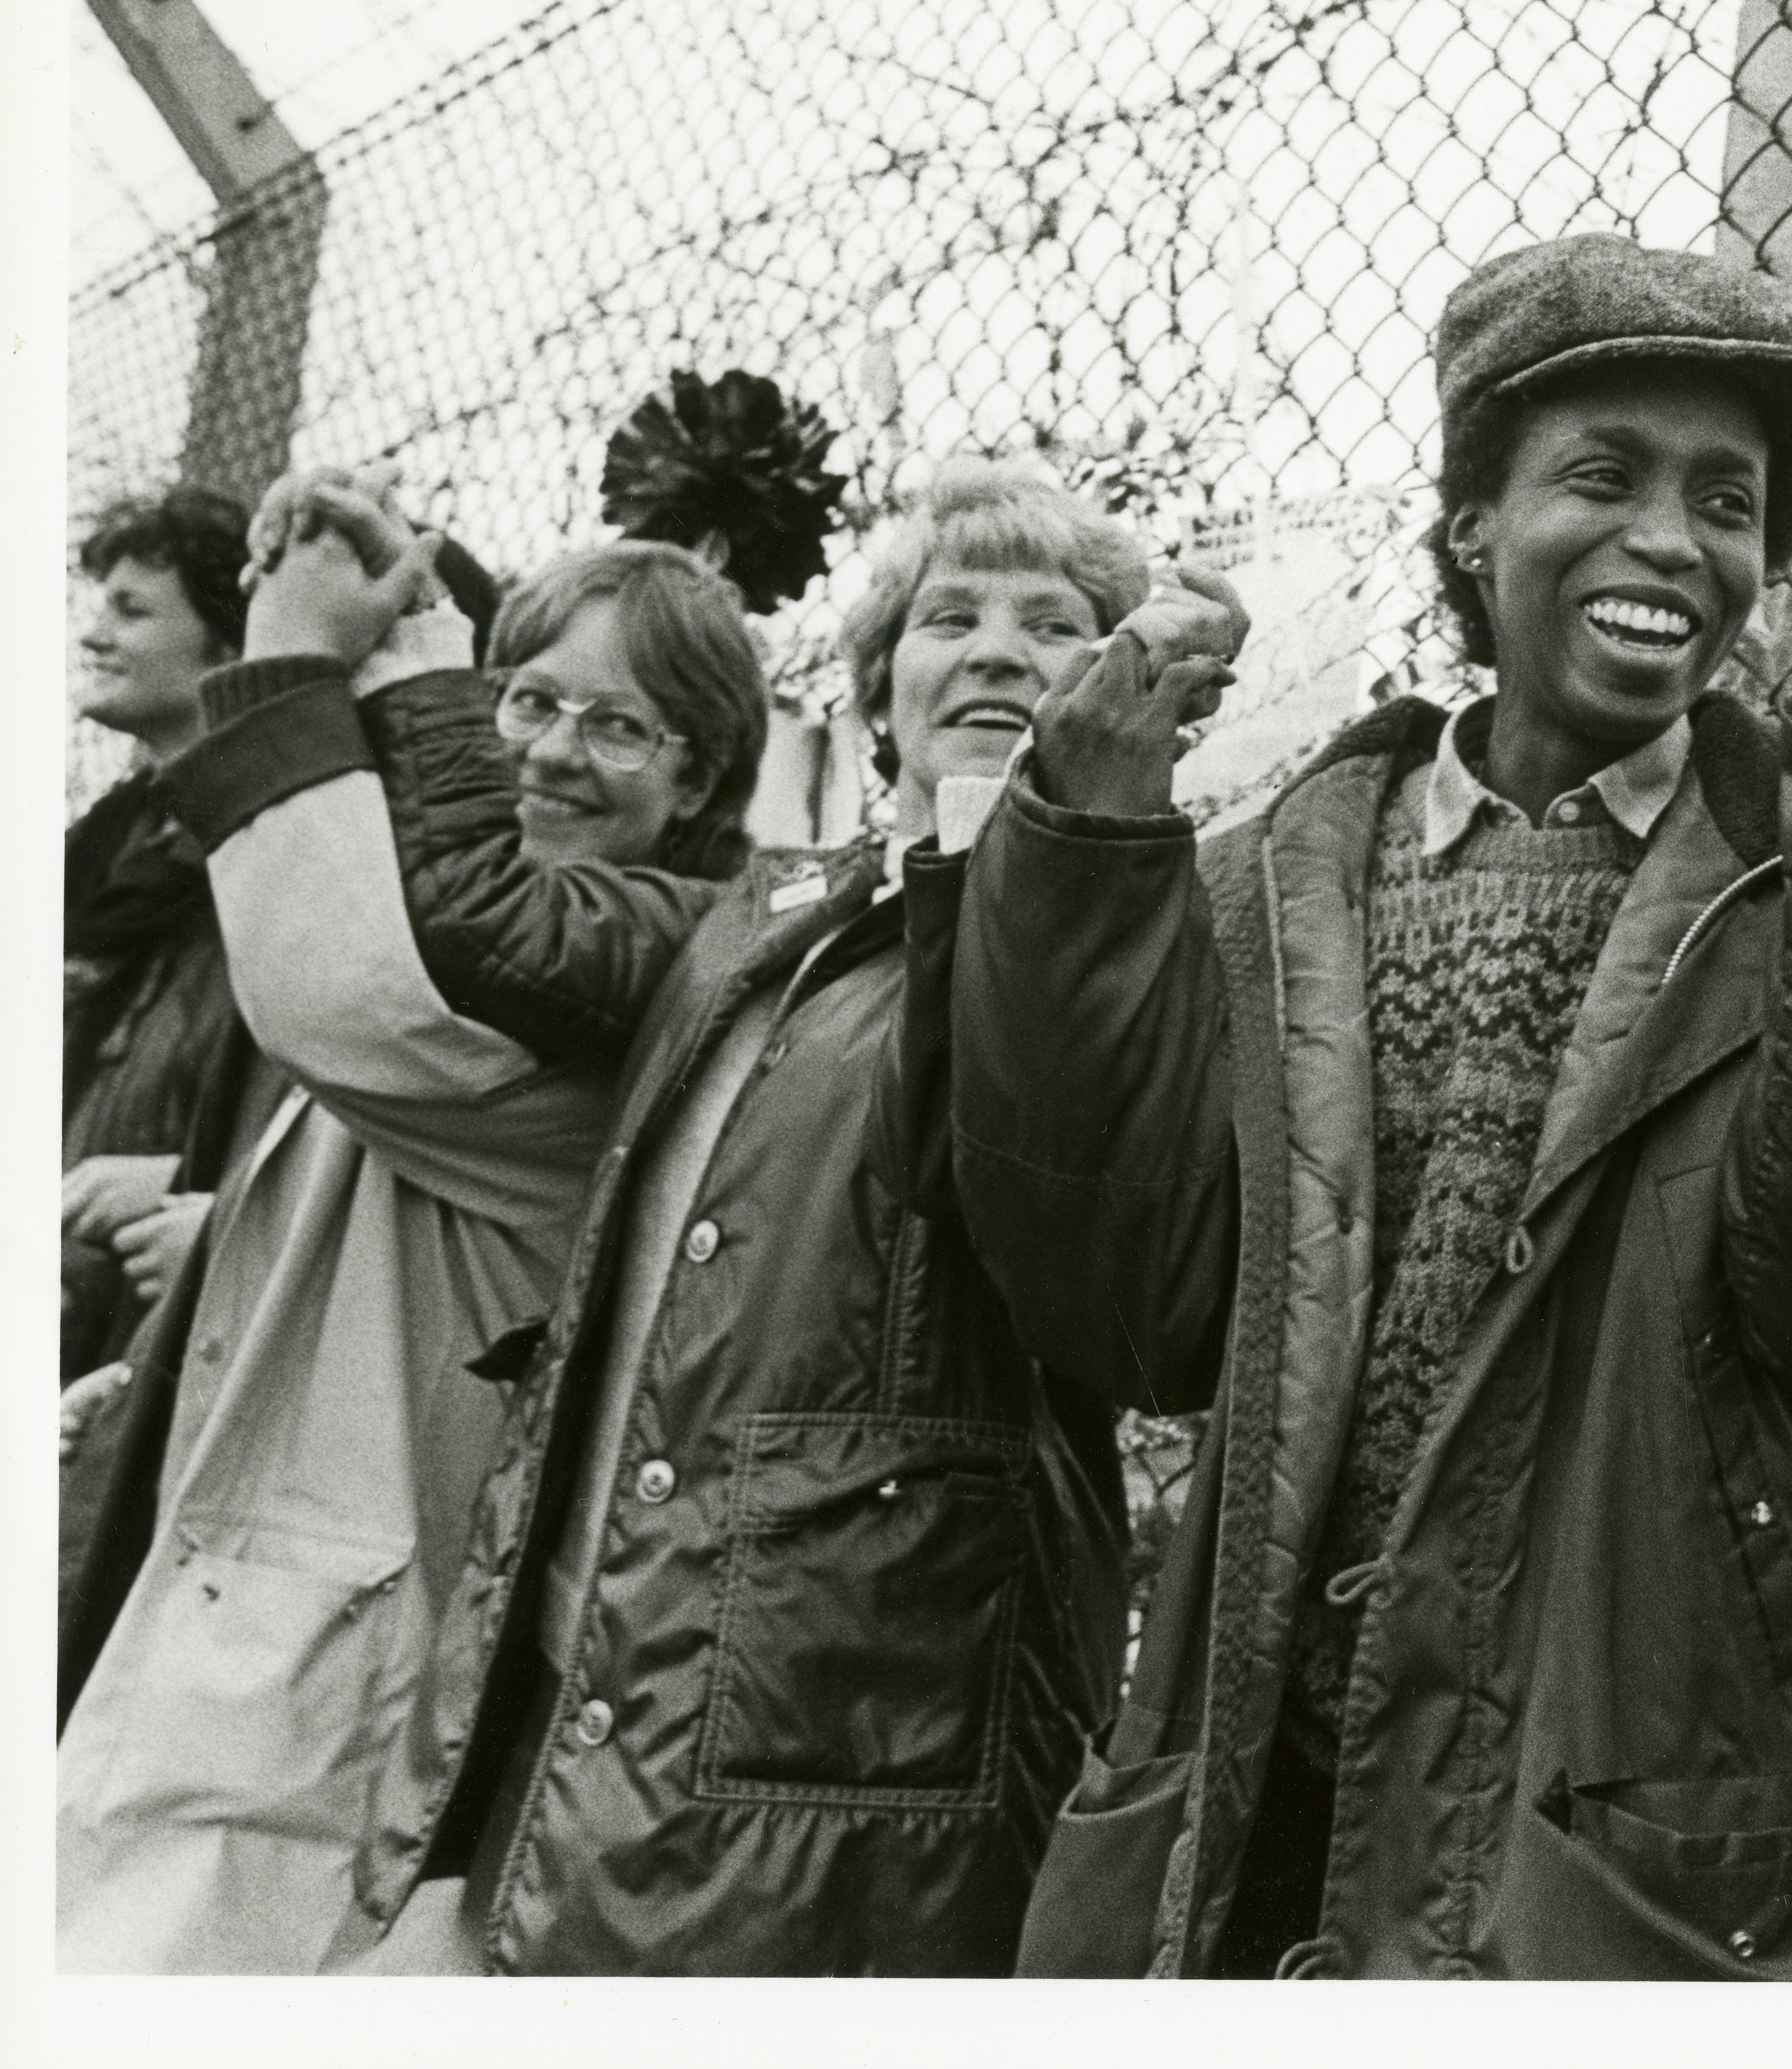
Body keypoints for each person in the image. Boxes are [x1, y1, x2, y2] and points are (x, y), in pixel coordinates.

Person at [933, 234, 1792, 1978]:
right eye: (1600, 477)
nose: (1672, 538)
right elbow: (1129, 1304)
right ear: (1468, 529)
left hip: (1620, 1807)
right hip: (1281, 1772)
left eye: (1726, 501)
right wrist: (1076, 835)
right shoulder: (1279, 889)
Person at [300, 456, 1160, 1975]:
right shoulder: (748, 918)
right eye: (951, 613)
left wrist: (1061, 827)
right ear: (880, 684)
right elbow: (497, 914)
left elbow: (1066, 1176)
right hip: (573, 1665)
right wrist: (436, 619)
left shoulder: (1147, 932)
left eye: (1063, 623)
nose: (1003, 646)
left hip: (847, 1751)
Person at [56, 526, 769, 1972]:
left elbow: (344, 996)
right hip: (269, 1597)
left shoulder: (667, 983)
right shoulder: (478, 940)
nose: (558, 752)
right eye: (528, 700)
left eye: (620, 723)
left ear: (698, 780)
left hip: (375, 1650)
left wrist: (297, 657)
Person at [62, 487, 256, 1383]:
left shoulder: (261, 848)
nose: (94, 635)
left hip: (162, 1306)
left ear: (225, 643)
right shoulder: (108, 847)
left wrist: (190, 1175)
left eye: (131, 610)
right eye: (99, 605)